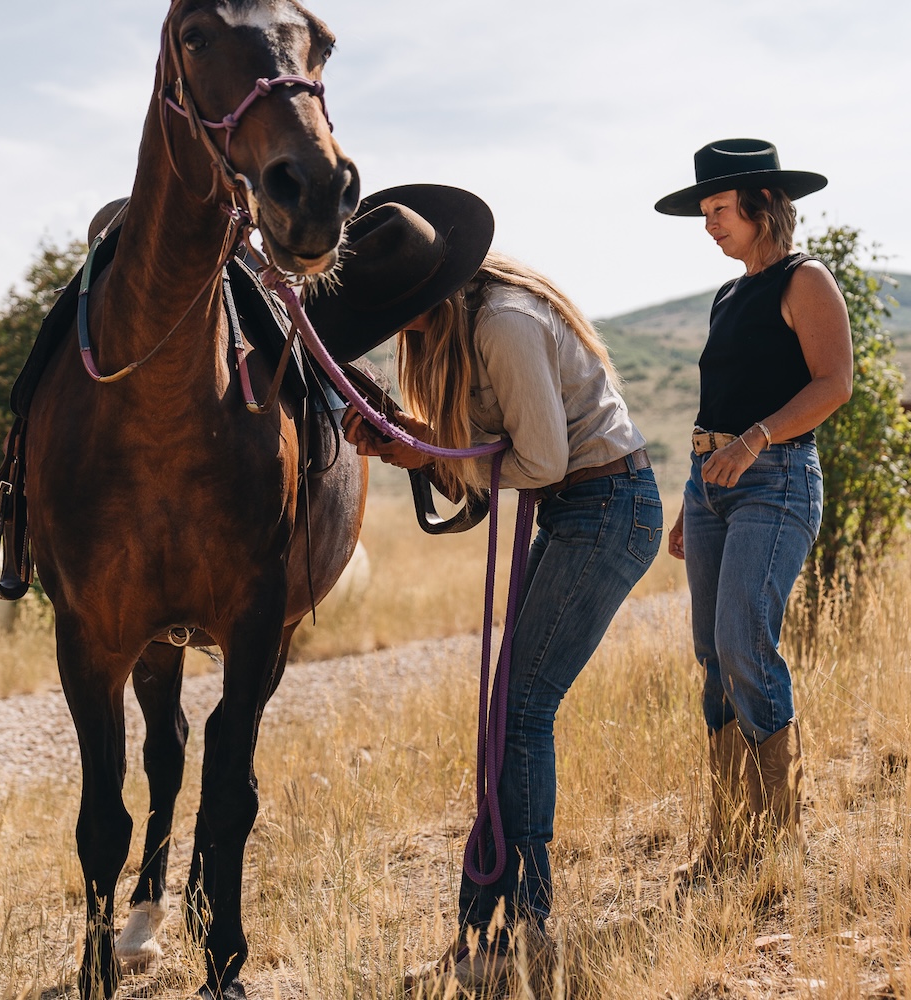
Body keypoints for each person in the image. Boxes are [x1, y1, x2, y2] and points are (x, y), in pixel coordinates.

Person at [308, 183, 663, 991]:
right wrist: (413, 442)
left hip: (606, 508)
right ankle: (486, 933)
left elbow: (539, 463)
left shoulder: (501, 323)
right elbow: (495, 455)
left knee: (522, 715)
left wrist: (424, 453)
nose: (391, 324)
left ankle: (522, 933)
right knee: (511, 719)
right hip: (583, 509)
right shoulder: (457, 324)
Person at [653, 139, 854, 886]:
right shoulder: (728, 294)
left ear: (762, 206)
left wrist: (756, 438)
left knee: (743, 641)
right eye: (704, 213)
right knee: (712, 658)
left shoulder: (805, 281)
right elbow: (719, 403)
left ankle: (778, 843)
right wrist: (691, 495)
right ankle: (729, 842)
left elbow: (836, 384)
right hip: (715, 485)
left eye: (718, 211)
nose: (709, 225)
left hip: (776, 480)